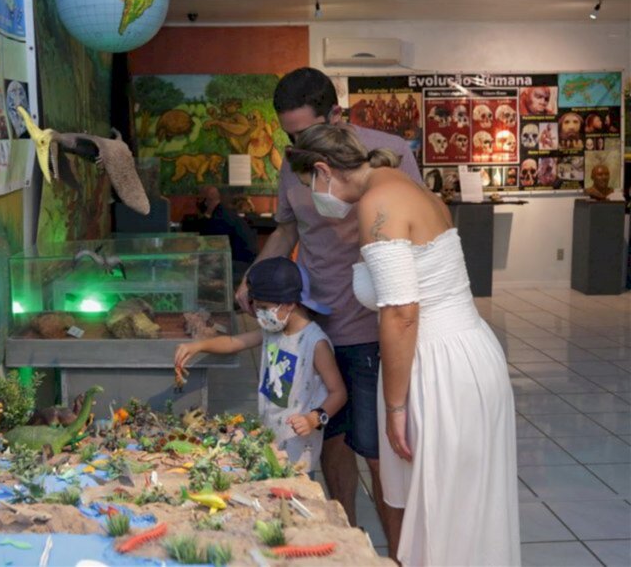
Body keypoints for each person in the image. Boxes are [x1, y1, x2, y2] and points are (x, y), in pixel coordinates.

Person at [286, 123, 520, 566]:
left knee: (440, 505)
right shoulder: (406, 186)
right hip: (465, 350)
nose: (313, 199)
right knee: (461, 502)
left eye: (309, 185)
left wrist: (394, 408)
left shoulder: (378, 202)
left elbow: (400, 312)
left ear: (323, 170)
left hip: (438, 362)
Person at [235, 67, 421, 553]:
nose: (298, 144)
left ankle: (399, 555)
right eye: (289, 135)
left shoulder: (390, 153)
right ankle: (348, 545)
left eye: (305, 132)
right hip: (315, 326)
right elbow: (287, 229)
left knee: (379, 453)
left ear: (335, 115)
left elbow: (419, 234)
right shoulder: (291, 164)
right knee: (328, 438)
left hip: (371, 327)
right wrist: (254, 275)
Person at [175, 258, 346, 473]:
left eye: (264, 308)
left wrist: (314, 418)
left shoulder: (315, 343)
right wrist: (199, 346)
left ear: (290, 304)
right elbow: (234, 342)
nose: (259, 314)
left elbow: (338, 392)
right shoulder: (273, 330)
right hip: (270, 439)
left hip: (298, 451)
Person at [182, 186, 258, 281]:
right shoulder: (224, 213)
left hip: (239, 266)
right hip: (245, 264)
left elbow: (214, 251)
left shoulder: (219, 218)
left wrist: (193, 261)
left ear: (206, 201)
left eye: (200, 199)